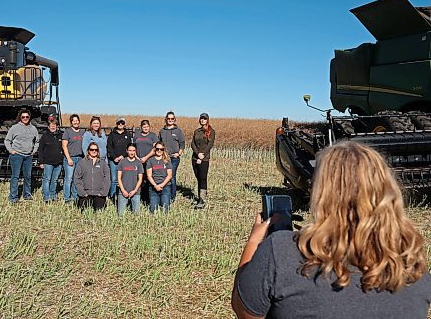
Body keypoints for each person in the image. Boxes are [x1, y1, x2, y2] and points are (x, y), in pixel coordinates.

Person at [232, 141, 431, 319]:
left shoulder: (281, 250)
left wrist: (253, 243)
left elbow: (246, 310)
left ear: (323, 192)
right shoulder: (415, 266)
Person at [4, 110, 40, 203]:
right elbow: (7, 140)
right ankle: (13, 197)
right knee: (15, 176)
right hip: (17, 156)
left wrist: (33, 151)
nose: (25, 118)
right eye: (23, 117)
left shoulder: (33, 129)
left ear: (29, 117)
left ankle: (27, 195)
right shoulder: (14, 128)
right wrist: (11, 150)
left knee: (27, 176)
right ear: (20, 117)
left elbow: (37, 141)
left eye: (27, 117)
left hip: (28, 156)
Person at [74, 142, 111, 212]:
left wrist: (103, 193)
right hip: (86, 193)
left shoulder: (103, 163)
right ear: (88, 151)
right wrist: (82, 193)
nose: (94, 151)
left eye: (96, 150)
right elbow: (77, 178)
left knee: (100, 212)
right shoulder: (82, 163)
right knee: (84, 212)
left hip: (99, 194)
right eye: (92, 149)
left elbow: (107, 179)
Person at [158, 111, 185, 201]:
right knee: (163, 175)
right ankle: (164, 194)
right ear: (166, 119)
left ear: (174, 119)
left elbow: (182, 143)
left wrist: (179, 153)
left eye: (172, 119)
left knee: (171, 176)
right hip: (164, 157)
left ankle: (172, 196)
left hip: (174, 158)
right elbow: (159, 143)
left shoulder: (178, 131)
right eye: (168, 118)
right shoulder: (162, 131)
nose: (170, 120)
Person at [191, 112, 215, 209]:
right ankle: (201, 195)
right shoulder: (197, 131)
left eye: (204, 119)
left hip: (204, 159)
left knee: (203, 178)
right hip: (195, 158)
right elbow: (192, 144)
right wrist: (197, 154)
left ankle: (202, 199)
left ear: (207, 120)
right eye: (201, 118)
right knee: (198, 178)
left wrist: (202, 155)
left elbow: (210, 145)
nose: (202, 120)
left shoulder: (211, 131)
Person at [38, 119, 63, 203]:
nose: (53, 126)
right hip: (48, 162)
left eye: (54, 125)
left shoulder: (61, 136)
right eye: (51, 125)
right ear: (48, 127)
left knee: (55, 180)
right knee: (47, 179)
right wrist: (41, 161)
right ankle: (46, 197)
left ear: (57, 126)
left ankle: (53, 196)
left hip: (58, 162)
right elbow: (40, 149)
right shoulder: (45, 136)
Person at [62, 114, 85, 204]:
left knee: (77, 178)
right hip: (70, 158)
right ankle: (67, 198)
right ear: (71, 122)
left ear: (79, 121)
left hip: (80, 158)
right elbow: (64, 146)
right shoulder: (67, 132)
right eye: (73, 121)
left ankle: (74, 196)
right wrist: (68, 158)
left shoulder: (82, 132)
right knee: (69, 178)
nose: (75, 122)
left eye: (77, 120)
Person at [133, 119, 157, 203]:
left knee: (148, 179)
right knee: (139, 179)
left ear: (149, 127)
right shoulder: (137, 135)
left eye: (147, 126)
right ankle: (139, 198)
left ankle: (148, 199)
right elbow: (133, 148)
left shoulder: (153, 136)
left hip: (149, 161)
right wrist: (136, 157)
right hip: (138, 161)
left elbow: (155, 149)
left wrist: (146, 157)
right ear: (141, 127)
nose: (146, 128)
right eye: (144, 127)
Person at [107, 117, 131, 200]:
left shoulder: (128, 134)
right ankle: (112, 196)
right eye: (119, 123)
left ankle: (122, 195)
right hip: (113, 160)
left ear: (124, 124)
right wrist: (114, 157)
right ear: (116, 124)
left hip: (124, 159)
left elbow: (129, 147)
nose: (120, 124)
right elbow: (109, 147)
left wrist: (123, 156)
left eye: (122, 123)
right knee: (114, 179)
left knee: (123, 178)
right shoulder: (112, 134)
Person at [117, 143, 144, 216]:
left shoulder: (138, 163)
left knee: (136, 214)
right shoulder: (122, 162)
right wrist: (123, 190)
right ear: (127, 151)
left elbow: (140, 179)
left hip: (135, 192)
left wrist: (135, 190)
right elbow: (119, 178)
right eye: (130, 150)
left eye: (133, 150)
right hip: (123, 191)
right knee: (121, 215)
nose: (132, 152)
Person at [146, 141, 173, 213]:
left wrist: (162, 185)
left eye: (161, 149)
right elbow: (149, 175)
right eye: (157, 149)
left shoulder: (167, 160)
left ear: (163, 150)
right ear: (155, 149)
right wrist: (155, 185)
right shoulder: (150, 160)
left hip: (165, 186)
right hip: (153, 187)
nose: (159, 151)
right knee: (153, 210)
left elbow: (169, 175)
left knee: (165, 209)